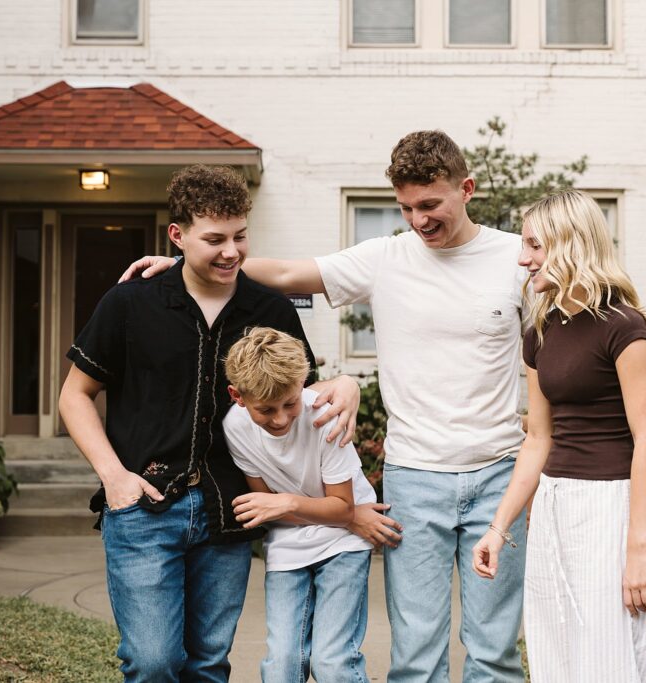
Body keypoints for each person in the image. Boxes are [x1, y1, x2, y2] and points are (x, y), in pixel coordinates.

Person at [121, 131, 529, 682]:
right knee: (415, 652)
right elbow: (288, 275)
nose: (418, 220)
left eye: (430, 205)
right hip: (416, 474)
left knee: (494, 649)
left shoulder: (516, 260)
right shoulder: (385, 258)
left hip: (500, 470)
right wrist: (188, 263)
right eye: (406, 208)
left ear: (467, 190)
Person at [58, 164, 359, 682]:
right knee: (152, 663)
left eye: (240, 236)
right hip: (144, 506)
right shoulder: (131, 302)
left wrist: (347, 383)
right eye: (215, 239)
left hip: (229, 512)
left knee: (208, 665)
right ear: (177, 236)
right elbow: (75, 395)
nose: (232, 251)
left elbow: (297, 396)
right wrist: (114, 477)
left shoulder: (270, 308)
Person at [472, 189, 646, 682]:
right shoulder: (540, 330)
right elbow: (538, 439)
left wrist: (638, 549)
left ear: (570, 243)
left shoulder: (624, 327)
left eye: (535, 246)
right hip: (554, 503)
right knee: (553, 640)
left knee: (608, 646)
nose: (523, 258)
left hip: (609, 506)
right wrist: (499, 527)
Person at [223, 327, 376, 682]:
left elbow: (341, 508)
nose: (280, 419)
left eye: (290, 403)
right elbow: (267, 508)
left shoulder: (323, 417)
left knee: (332, 662)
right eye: (266, 409)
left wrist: (286, 502)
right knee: (281, 665)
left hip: (343, 543)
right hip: (288, 545)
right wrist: (285, 507)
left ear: (303, 384)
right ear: (237, 396)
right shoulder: (235, 428)